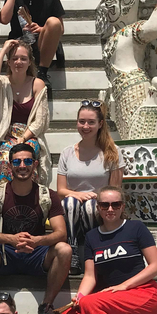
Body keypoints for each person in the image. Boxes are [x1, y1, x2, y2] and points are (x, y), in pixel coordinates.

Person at [62, 186, 157, 314]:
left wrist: (125, 285)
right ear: (98, 208)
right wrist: (79, 297)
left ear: (122, 206)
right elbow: (90, 276)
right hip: (111, 300)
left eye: (115, 204)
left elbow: (156, 266)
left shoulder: (136, 228)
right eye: (105, 205)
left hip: (142, 296)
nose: (110, 209)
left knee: (90, 304)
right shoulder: (92, 237)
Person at [0, 142, 72, 314]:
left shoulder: (47, 195)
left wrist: (37, 241)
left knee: (65, 250)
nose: (22, 166)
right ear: (10, 165)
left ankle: (46, 306)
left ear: (35, 164)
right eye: (17, 162)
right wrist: (10, 239)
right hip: (6, 254)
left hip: (37, 254)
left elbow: (61, 233)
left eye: (27, 161)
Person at [56, 101, 124, 275]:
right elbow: (61, 190)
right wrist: (77, 194)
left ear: (100, 124)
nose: (85, 126)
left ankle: (90, 250)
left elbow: (115, 191)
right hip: (72, 210)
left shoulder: (111, 152)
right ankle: (72, 251)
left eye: (91, 122)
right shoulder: (67, 153)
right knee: (69, 202)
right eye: (81, 121)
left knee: (89, 206)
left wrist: (95, 196)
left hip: (99, 207)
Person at [0, 38, 51, 186]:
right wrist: (4, 49)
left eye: (23, 59)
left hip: (30, 135)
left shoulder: (37, 84)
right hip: (5, 135)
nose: (19, 62)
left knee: (26, 155)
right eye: (15, 58)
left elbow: (41, 121)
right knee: (5, 153)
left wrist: (23, 138)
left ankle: (30, 195)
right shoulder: (2, 84)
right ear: (9, 62)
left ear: (30, 62)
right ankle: (5, 195)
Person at [0, 0, 65, 84]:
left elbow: (60, 28)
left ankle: (42, 72)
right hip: (19, 42)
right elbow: (4, 19)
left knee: (53, 22)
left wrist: (42, 29)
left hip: (41, 42)